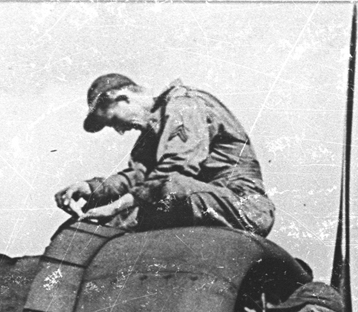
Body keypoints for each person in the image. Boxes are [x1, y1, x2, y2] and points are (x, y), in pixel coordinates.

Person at [53, 74, 275, 237]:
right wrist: (91, 188)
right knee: (92, 223)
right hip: (196, 201)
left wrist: (115, 206)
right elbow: (137, 177)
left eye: (113, 120)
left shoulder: (185, 104)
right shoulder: (153, 130)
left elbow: (175, 170)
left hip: (243, 206)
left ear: (122, 98)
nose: (120, 130)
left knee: (165, 189)